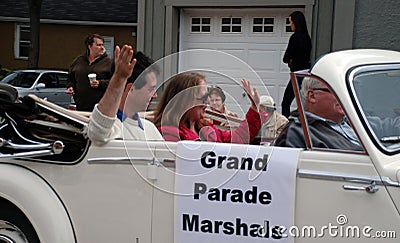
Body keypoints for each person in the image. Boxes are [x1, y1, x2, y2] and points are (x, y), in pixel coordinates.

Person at [152, 72, 262, 143]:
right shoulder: (169, 134)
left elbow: (236, 139)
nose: (208, 101)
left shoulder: (205, 128)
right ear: (185, 101)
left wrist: (254, 108)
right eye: (203, 97)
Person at [88, 45, 163, 144]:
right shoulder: (112, 129)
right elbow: (98, 133)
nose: (155, 95)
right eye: (150, 89)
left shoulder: (150, 129)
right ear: (130, 89)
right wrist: (119, 78)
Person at [274, 77, 363, 151]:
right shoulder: (298, 132)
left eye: (347, 91)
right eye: (337, 91)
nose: (346, 96)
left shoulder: (359, 122)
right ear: (312, 96)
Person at [66, 34, 113, 111]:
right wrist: (70, 86)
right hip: (80, 106)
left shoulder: (108, 63)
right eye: (98, 45)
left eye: (102, 45)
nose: (102, 47)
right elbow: (71, 77)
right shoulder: (79, 61)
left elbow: (114, 82)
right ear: (90, 46)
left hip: (100, 108)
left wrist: (100, 83)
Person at [281, 11, 312, 118]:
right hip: (307, 74)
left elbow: (285, 58)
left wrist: (291, 60)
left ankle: (285, 126)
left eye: (291, 22)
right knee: (303, 104)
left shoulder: (294, 37)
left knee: (285, 103)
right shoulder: (307, 38)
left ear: (295, 22)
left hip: (297, 75)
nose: (290, 25)